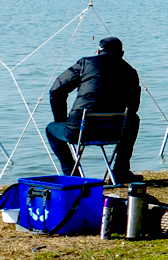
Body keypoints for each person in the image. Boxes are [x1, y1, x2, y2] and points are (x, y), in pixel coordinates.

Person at [46, 36, 143, 184]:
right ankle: (120, 171)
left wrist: (62, 121)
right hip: (113, 132)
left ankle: (73, 175)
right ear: (122, 54)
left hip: (79, 130)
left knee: (51, 129)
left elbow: (56, 91)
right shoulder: (130, 71)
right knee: (133, 120)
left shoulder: (85, 63)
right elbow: (133, 107)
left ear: (98, 52)